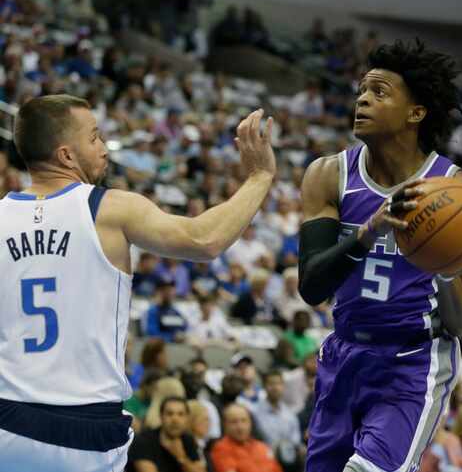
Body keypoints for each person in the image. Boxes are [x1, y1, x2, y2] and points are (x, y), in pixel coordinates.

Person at [0, 94, 276, 471]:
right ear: (66, 155)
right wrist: (260, 177)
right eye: (95, 137)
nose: (103, 147)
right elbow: (204, 240)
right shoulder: (108, 207)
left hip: (7, 423)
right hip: (82, 425)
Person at [299, 40, 462, 472]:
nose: (362, 98)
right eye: (362, 90)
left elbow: (460, 322)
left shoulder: (457, 191)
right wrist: (366, 233)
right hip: (343, 356)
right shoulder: (329, 174)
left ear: (416, 113)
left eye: (379, 92)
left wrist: (442, 268)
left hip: (411, 362)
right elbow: (311, 286)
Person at [128, 397, 205, 472]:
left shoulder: (188, 440)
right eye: (169, 414)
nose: (175, 419)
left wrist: (181, 458)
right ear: (161, 416)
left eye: (180, 414)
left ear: (187, 418)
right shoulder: (143, 441)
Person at [210, 403, 283, 472]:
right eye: (234, 422)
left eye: (244, 421)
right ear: (225, 425)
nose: (240, 427)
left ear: (250, 423)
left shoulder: (262, 447)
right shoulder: (221, 449)